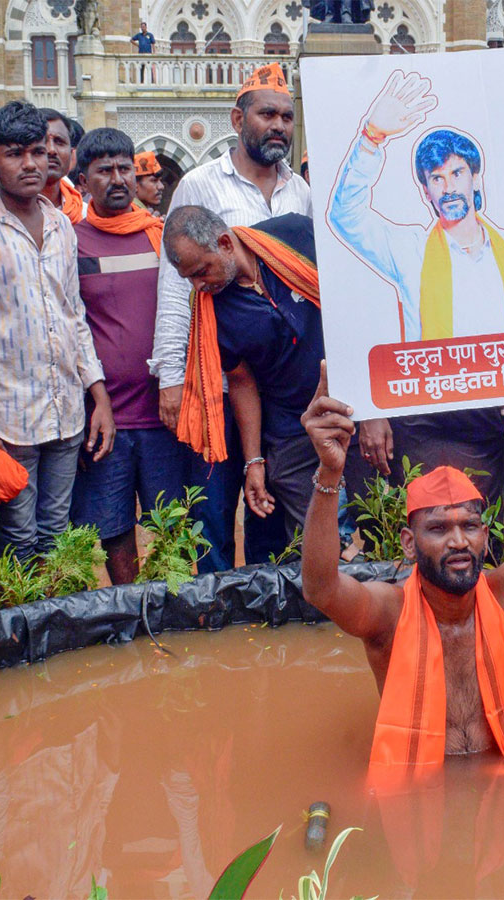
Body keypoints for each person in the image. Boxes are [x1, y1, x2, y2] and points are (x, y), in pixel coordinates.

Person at [299, 355, 504, 771]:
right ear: (409, 544)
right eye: (437, 529)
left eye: (470, 525)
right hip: (412, 792)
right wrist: (330, 472)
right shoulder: (388, 613)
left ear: (485, 536)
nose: (458, 541)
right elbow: (321, 588)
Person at [153, 62, 310, 571]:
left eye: (287, 116)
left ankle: (270, 618)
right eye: (267, 114)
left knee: (274, 516)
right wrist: (172, 380)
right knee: (214, 515)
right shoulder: (200, 185)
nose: (279, 126)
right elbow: (178, 288)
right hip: (221, 382)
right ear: (237, 118)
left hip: (285, 395)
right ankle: (217, 618)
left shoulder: (300, 194)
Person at [0, 100, 115, 562]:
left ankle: (54, 634)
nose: (29, 164)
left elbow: (73, 315)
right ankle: (19, 633)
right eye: (14, 153)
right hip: (7, 420)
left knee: (56, 536)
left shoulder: (64, 225)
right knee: (19, 540)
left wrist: (98, 395)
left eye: (38, 153)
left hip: (66, 412)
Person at [329, 70, 504, 342]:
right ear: (426, 191)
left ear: (475, 179)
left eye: (457, 174)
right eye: (437, 178)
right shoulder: (409, 250)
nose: (449, 188)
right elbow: (346, 215)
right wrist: (372, 137)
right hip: (430, 383)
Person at [69, 128, 188, 584]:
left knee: (172, 527)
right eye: (105, 171)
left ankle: (172, 616)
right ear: (83, 181)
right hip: (106, 421)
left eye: (124, 169)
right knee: (114, 531)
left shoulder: (162, 238)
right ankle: (130, 619)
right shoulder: (71, 242)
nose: (117, 179)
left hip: (165, 417)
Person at [163, 205, 322, 545]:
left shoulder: (293, 234)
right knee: (313, 538)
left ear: (224, 243)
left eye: (202, 271)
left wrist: (374, 414)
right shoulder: (213, 309)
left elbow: (353, 301)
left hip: (350, 409)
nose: (199, 285)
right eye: (189, 278)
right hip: (291, 427)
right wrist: (253, 461)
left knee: (370, 520)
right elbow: (241, 380)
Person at [39, 107, 84, 224]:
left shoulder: (85, 215)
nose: (51, 150)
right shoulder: (4, 215)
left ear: (71, 152)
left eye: (59, 141)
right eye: (43, 141)